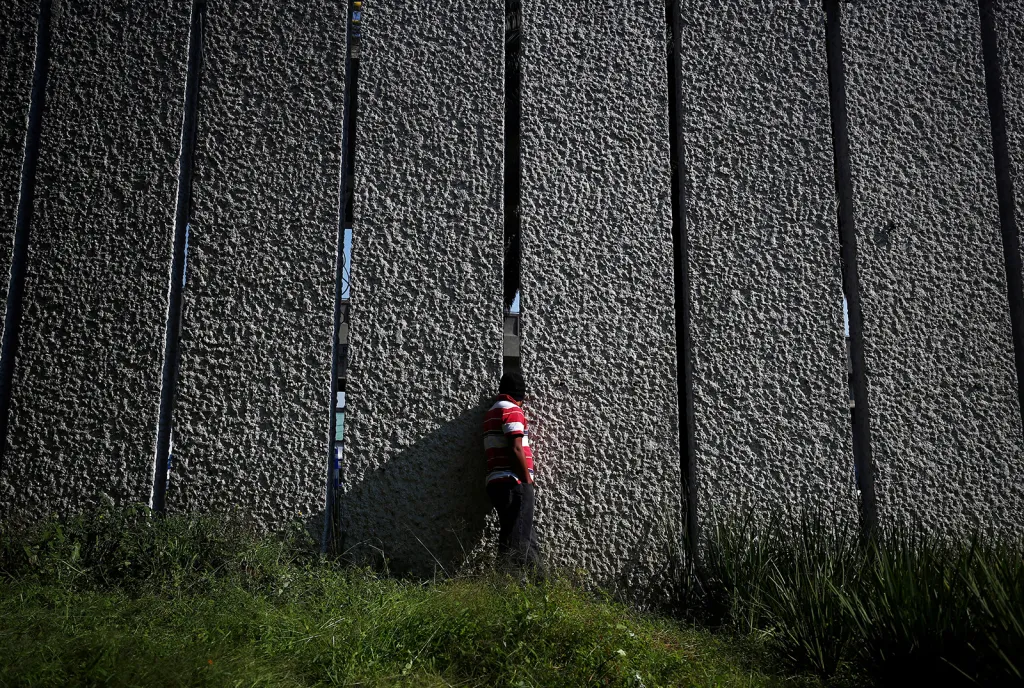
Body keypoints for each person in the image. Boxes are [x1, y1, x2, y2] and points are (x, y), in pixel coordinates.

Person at [483, 371, 541, 571]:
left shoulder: (492, 411)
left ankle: (540, 582)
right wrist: (527, 481)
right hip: (513, 482)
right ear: (520, 396)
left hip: (497, 481)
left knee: (520, 533)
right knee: (517, 542)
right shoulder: (512, 410)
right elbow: (516, 447)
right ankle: (508, 587)